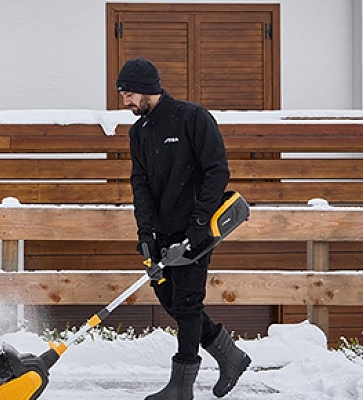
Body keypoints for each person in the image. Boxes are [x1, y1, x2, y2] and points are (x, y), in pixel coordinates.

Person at [117, 58, 251, 400]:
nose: (125, 102)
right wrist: (144, 234)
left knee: (188, 303)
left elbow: (217, 171)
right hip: (161, 233)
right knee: (171, 301)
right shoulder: (139, 132)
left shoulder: (192, 118)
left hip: (196, 231)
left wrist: (199, 223)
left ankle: (181, 386)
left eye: (129, 94)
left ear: (149, 89)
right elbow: (140, 183)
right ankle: (230, 356)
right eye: (123, 95)